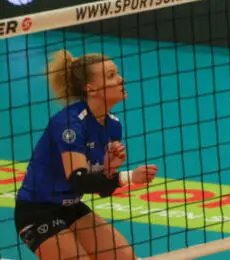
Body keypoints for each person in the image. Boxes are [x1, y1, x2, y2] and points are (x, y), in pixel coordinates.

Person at [14, 51, 159, 259]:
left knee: (125, 257)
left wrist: (109, 169)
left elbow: (103, 190)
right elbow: (78, 180)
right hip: (37, 212)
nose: (121, 79)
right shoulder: (70, 123)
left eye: (117, 73)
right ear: (90, 88)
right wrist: (127, 176)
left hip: (71, 207)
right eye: (111, 76)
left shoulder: (113, 125)